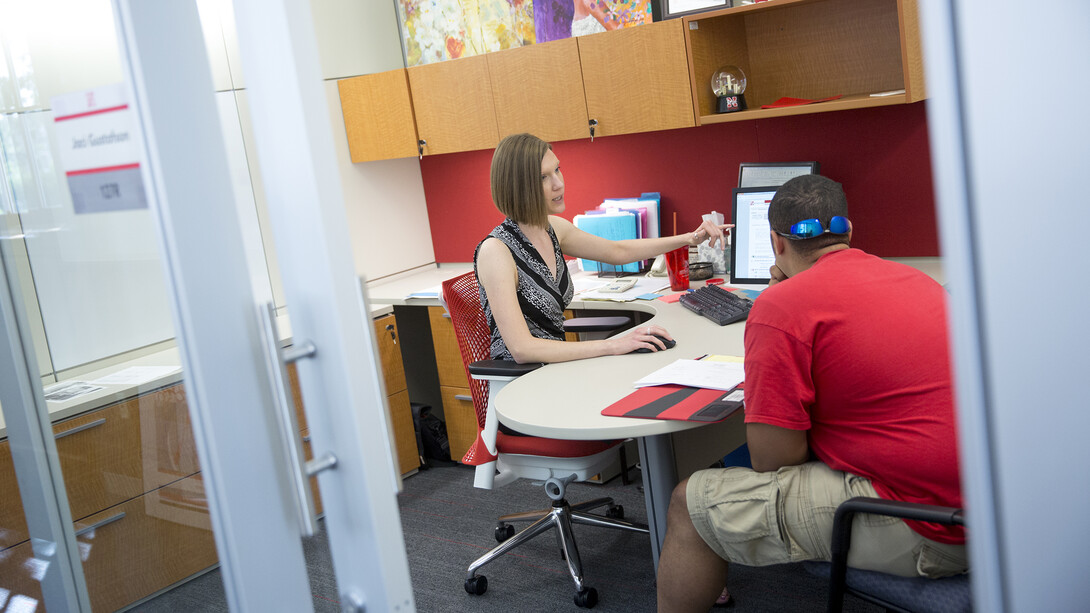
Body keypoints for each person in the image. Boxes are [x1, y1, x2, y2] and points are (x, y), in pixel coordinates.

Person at [655, 174, 967, 612]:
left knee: (687, 503)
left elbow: (772, 461)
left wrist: (777, 309)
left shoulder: (782, 308)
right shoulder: (914, 279)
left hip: (933, 526)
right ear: (850, 232)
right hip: (998, 504)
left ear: (775, 244)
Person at [474, 132, 731, 364]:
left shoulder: (551, 228)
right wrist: (613, 345)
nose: (558, 184)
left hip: (557, 369)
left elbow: (617, 252)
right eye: (543, 177)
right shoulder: (496, 251)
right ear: (519, 187)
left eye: (557, 170)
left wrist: (688, 238)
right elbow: (522, 349)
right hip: (523, 384)